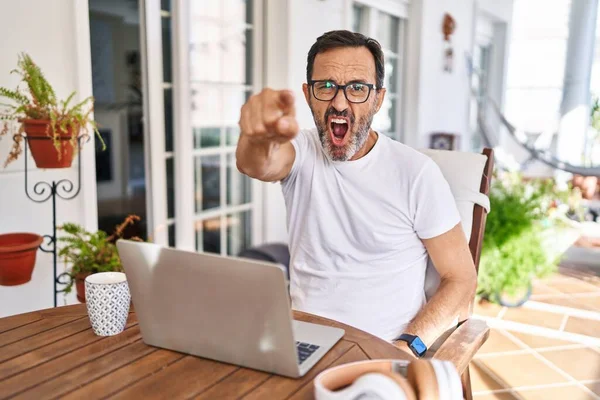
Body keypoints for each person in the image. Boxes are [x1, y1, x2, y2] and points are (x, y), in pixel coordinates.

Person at [235, 30, 477, 357]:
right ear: (308, 94)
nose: (339, 102)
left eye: (357, 89)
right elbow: (257, 164)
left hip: (384, 352)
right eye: (326, 87)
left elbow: (461, 279)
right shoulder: (301, 151)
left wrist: (409, 346)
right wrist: (257, 136)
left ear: (378, 98)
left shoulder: (416, 173)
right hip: (302, 345)